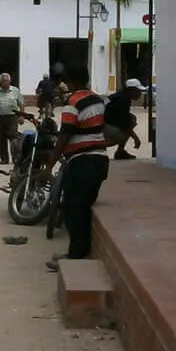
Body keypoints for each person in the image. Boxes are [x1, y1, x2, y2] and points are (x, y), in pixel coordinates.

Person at [45, 75, 111, 273]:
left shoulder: (72, 103)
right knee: (82, 206)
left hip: (83, 161)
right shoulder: (99, 100)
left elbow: (65, 134)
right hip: (100, 160)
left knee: (72, 208)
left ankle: (75, 255)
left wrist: (49, 166)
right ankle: (80, 250)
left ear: (71, 82)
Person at [0, 72, 28, 165]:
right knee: (0, 139)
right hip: (0, 118)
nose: (5, 82)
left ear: (9, 81)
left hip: (12, 117)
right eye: (3, 81)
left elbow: (21, 104)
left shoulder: (15, 91)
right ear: (0, 82)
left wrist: (22, 116)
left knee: (13, 137)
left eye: (7, 81)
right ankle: (4, 159)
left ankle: (16, 158)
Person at [103, 78, 144, 161]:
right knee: (120, 136)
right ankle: (95, 147)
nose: (140, 94)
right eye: (138, 91)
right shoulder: (122, 100)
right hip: (101, 123)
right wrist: (136, 139)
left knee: (131, 118)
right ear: (131, 90)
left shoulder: (121, 96)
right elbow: (125, 124)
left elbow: (125, 121)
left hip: (107, 121)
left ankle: (120, 152)